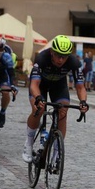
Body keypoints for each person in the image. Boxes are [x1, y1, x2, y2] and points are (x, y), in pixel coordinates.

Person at [21, 35, 89, 163]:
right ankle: (29, 143)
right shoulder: (42, 58)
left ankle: (57, 153)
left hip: (58, 85)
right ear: (52, 52)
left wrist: (83, 102)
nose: (61, 59)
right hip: (40, 85)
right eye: (58, 55)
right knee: (38, 109)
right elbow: (34, 85)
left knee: (63, 112)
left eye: (64, 56)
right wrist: (38, 98)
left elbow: (80, 87)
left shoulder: (74, 62)